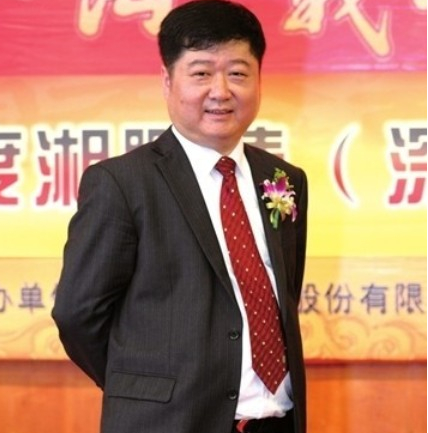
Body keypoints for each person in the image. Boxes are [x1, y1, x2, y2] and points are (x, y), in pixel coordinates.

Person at [52, 1, 308, 432]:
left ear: (259, 80)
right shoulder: (121, 182)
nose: (221, 91)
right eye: (201, 73)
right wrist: (143, 384)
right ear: (168, 81)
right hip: (168, 421)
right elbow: (78, 314)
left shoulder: (283, 179)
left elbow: (286, 293)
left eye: (238, 73)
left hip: (276, 420)